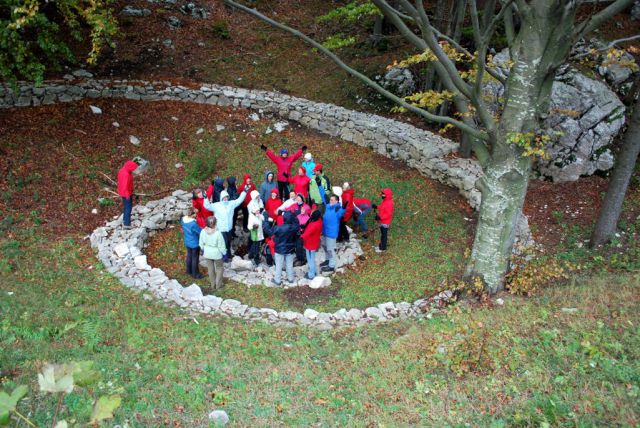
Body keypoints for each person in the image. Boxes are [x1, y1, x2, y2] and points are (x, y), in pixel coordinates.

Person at [204, 186, 249, 261]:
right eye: (224, 198)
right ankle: (223, 256)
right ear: (221, 198)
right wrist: (205, 198)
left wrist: (244, 191)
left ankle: (228, 254)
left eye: (227, 197)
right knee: (223, 243)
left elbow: (239, 200)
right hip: (221, 228)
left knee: (228, 242)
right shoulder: (217, 205)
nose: (226, 199)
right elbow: (207, 206)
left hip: (229, 228)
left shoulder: (231, 204)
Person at [262, 211, 300, 285]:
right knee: (289, 265)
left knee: (279, 265)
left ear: (284, 219)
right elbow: (297, 223)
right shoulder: (294, 227)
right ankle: (290, 279)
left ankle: (277, 280)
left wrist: (266, 219)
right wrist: (293, 216)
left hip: (280, 249)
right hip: (290, 249)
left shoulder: (279, 228)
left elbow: (268, 230)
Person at [318, 185, 345, 273]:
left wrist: (344, 208)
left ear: (336, 201)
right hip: (325, 231)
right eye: (330, 200)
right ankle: (327, 259)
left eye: (332, 200)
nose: (330, 201)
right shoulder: (328, 206)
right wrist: (319, 186)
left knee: (330, 249)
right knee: (325, 246)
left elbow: (341, 213)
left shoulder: (337, 208)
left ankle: (331, 265)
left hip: (331, 233)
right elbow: (324, 196)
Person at [199, 216, 227, 290]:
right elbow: (221, 246)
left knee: (210, 269)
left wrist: (202, 249)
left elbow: (201, 243)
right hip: (217, 254)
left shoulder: (203, 231)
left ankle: (212, 284)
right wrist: (224, 253)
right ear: (215, 224)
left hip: (207, 253)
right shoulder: (218, 233)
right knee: (219, 268)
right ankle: (218, 285)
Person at [180, 208, 203, 279]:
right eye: (195, 213)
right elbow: (199, 232)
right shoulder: (193, 223)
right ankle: (195, 274)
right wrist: (203, 229)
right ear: (193, 214)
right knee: (195, 258)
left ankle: (188, 271)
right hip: (195, 243)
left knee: (189, 256)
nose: (196, 215)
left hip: (187, 241)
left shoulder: (183, 220)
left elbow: (183, 228)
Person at [117, 159, 140, 227]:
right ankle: (127, 224)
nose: (134, 170)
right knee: (128, 207)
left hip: (123, 192)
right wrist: (128, 195)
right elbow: (125, 186)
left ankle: (125, 220)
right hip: (126, 193)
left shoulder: (122, 170)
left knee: (125, 207)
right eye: (133, 168)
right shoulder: (126, 174)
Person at [300, 209, 322, 279]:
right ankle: (313, 271)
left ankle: (311, 274)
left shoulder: (313, 225)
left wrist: (300, 237)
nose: (311, 215)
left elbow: (307, 233)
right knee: (312, 258)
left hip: (310, 244)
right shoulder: (319, 221)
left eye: (312, 215)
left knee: (310, 260)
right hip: (315, 242)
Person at [247, 190, 265, 266]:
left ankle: (250, 255)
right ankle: (256, 258)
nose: (258, 197)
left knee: (255, 244)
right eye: (256, 196)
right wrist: (253, 226)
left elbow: (263, 217)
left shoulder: (259, 214)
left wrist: (260, 213)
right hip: (255, 232)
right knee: (256, 245)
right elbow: (249, 226)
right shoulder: (250, 206)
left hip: (259, 232)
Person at [375, 188, 395, 253]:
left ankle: (383, 248)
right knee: (382, 234)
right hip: (382, 221)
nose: (382, 195)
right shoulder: (385, 201)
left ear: (387, 195)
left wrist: (380, 217)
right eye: (382, 194)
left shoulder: (389, 203)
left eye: (383, 194)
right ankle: (381, 245)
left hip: (385, 222)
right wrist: (376, 207)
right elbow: (382, 207)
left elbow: (388, 214)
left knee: (384, 235)